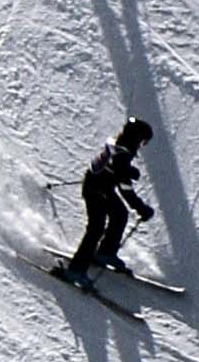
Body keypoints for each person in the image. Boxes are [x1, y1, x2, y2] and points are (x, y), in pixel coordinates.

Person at [56, 117, 154, 283]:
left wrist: (128, 170)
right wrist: (141, 208)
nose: (141, 145)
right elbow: (125, 188)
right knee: (96, 228)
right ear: (136, 138)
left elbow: (114, 164)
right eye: (143, 141)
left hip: (101, 186)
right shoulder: (124, 153)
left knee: (120, 214)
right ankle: (76, 270)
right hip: (96, 190)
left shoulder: (119, 143)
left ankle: (105, 252)